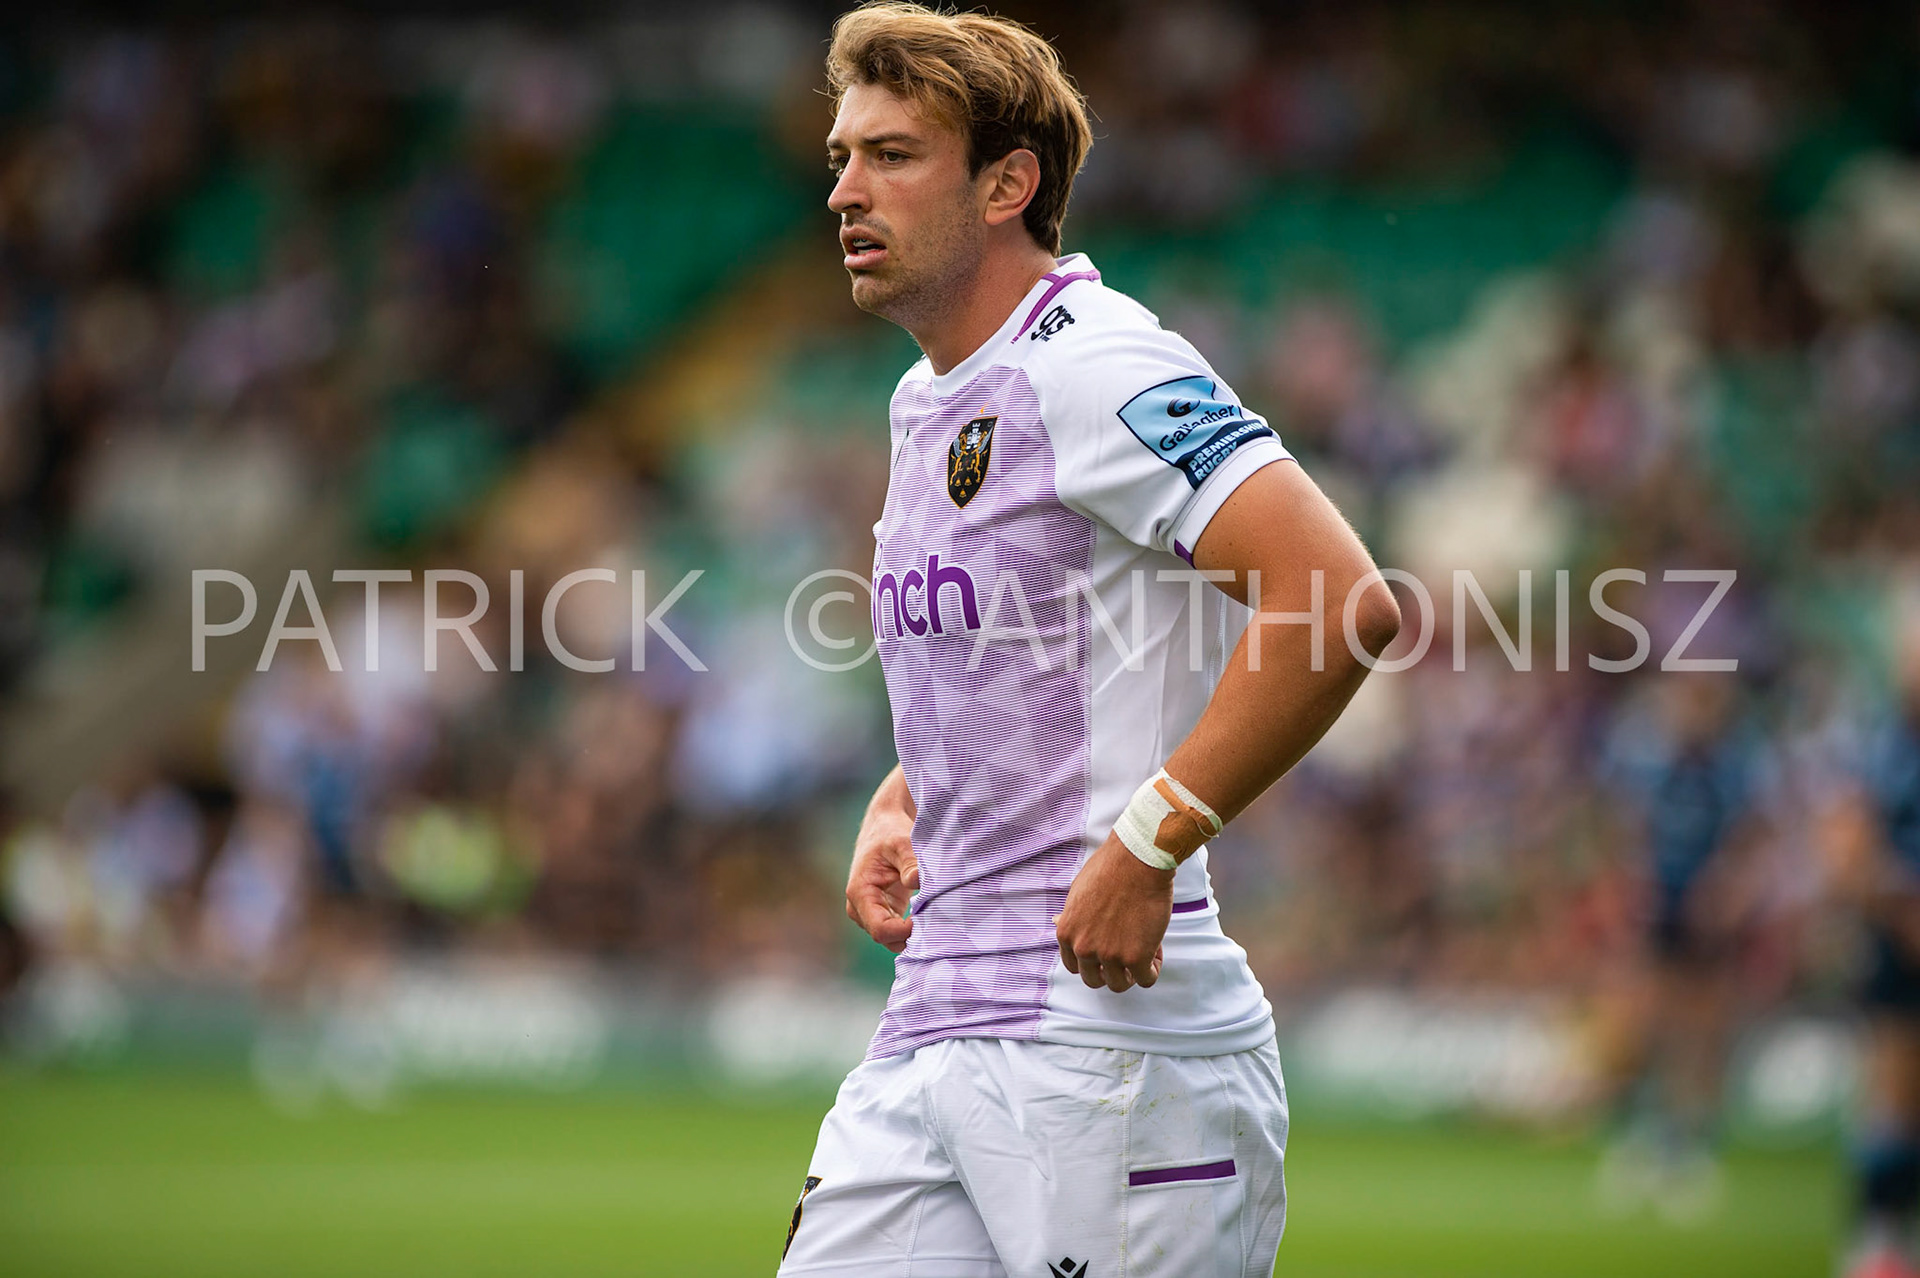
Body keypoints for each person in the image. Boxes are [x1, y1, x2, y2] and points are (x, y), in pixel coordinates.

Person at [780, 5, 1400, 1275]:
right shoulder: (924, 398)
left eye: (892, 155)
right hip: (936, 1019)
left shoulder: (1100, 363)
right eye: (843, 156)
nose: (845, 189)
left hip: (1114, 1046)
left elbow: (1338, 598)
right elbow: (1037, 649)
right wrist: (909, 795)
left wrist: (1155, 836)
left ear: (1007, 184)